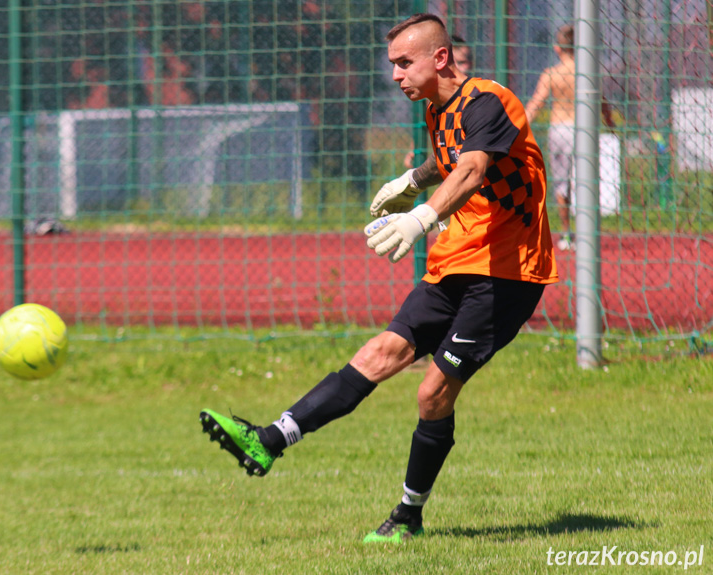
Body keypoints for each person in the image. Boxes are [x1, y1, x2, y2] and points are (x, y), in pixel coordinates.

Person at [199, 13, 558, 543]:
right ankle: (268, 441)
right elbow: (447, 159)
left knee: (433, 391)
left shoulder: (489, 100)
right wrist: (411, 179)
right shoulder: (439, 110)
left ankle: (408, 516)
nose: (395, 76)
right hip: (456, 262)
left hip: (506, 273)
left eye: (403, 63)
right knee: (378, 354)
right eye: (392, 65)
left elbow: (473, 168)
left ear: (440, 59)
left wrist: (419, 217)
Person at [525, 24, 576, 251]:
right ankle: (585, 233)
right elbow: (603, 103)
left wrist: (519, 124)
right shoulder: (587, 72)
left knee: (562, 184)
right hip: (582, 130)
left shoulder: (552, 74)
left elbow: (537, 103)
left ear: (557, 48)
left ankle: (567, 232)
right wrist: (611, 123)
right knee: (585, 182)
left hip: (559, 129)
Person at [404, 34, 472, 170]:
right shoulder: (433, 99)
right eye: (458, 62)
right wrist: (413, 150)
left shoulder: (479, 95)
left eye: (467, 61)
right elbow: (428, 124)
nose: (465, 68)